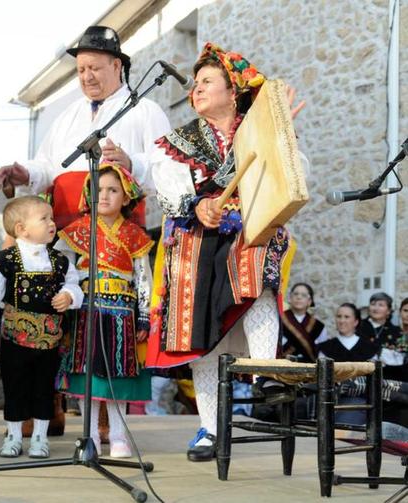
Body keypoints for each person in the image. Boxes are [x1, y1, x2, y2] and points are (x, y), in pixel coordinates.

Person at [143, 43, 306, 462]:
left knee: (256, 258)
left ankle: (268, 373)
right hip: (196, 241)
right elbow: (170, 186)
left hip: (246, 231)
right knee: (202, 337)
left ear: (233, 92)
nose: (196, 89)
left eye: (206, 82)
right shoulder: (180, 141)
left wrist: (281, 131)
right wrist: (197, 204)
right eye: (194, 84)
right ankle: (210, 430)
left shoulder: (261, 131)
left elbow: (293, 173)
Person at [0, 25, 170, 230]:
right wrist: (27, 174)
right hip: (63, 234)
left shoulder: (146, 111)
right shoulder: (67, 115)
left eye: (94, 68)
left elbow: (167, 171)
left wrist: (131, 165)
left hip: (117, 238)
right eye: (81, 70)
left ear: (116, 66)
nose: (87, 77)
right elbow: (48, 166)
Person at [0, 196, 83, 458]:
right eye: (44, 219)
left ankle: (40, 437)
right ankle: (13, 436)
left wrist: (69, 296)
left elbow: (73, 284)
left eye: (52, 218)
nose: (52, 223)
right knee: (15, 387)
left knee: (44, 388)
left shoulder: (60, 261)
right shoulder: (6, 260)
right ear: (21, 229)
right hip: (15, 339)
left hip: (48, 340)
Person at [55, 163, 154, 458]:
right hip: (85, 311)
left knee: (118, 376)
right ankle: (90, 438)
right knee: (86, 373)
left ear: (126, 197)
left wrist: (145, 315)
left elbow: (143, 278)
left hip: (122, 312)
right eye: (99, 190)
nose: (106, 196)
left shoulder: (135, 236)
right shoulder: (77, 232)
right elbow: (64, 271)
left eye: (113, 190)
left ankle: (119, 435)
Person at [281, 282, 328, 362]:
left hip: (309, 370)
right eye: (296, 294)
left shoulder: (318, 326)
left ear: (309, 301)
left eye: (303, 295)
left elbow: (322, 353)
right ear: (290, 298)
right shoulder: (279, 320)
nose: (299, 297)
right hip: (283, 367)